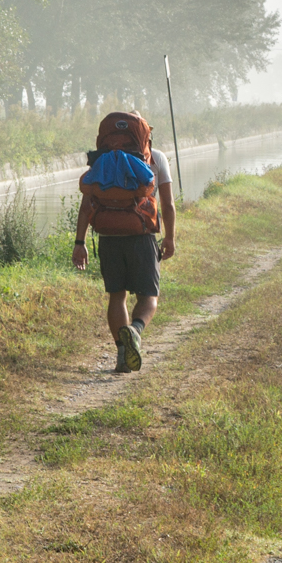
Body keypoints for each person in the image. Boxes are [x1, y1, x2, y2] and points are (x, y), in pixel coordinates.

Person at [71, 114, 177, 372]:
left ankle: (122, 355)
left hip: (108, 237)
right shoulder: (156, 157)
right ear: (144, 133)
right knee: (149, 297)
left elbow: (87, 205)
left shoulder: (102, 160)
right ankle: (135, 330)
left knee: (117, 297)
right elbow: (168, 204)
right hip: (141, 236)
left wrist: (79, 242)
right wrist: (170, 237)